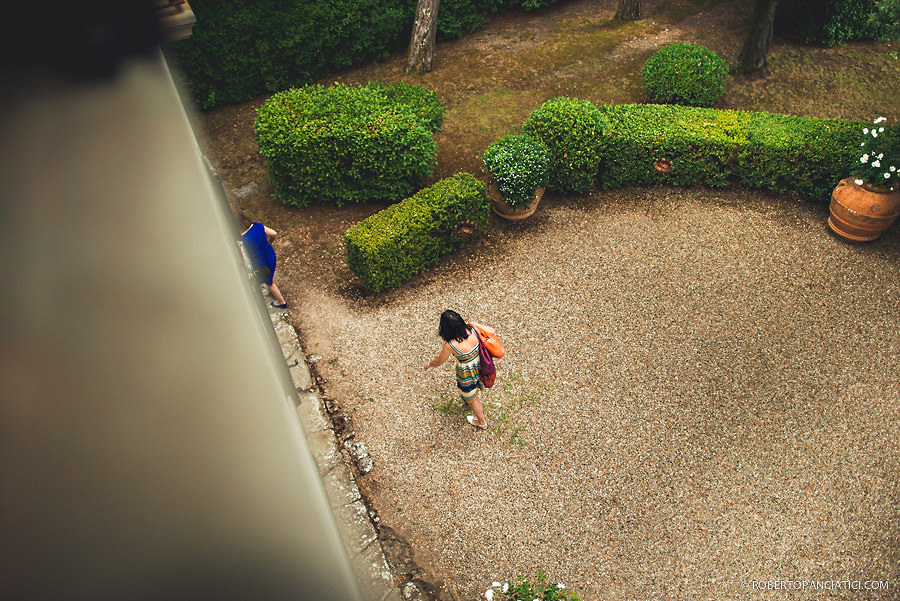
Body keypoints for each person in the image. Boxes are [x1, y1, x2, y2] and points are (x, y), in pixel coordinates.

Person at [423, 310, 496, 430]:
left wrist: (429, 364)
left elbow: (439, 361)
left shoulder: (450, 345)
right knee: (472, 393)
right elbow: (492, 331)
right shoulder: (473, 330)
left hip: (467, 374)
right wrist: (473, 324)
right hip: (481, 366)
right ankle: (467, 399)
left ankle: (482, 422)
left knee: (473, 399)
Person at [239, 213, 287, 308]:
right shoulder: (257, 225)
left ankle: (281, 302)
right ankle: (270, 279)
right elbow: (274, 233)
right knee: (270, 275)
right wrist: (269, 243)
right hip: (270, 255)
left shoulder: (242, 239)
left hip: (260, 263)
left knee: (270, 283)